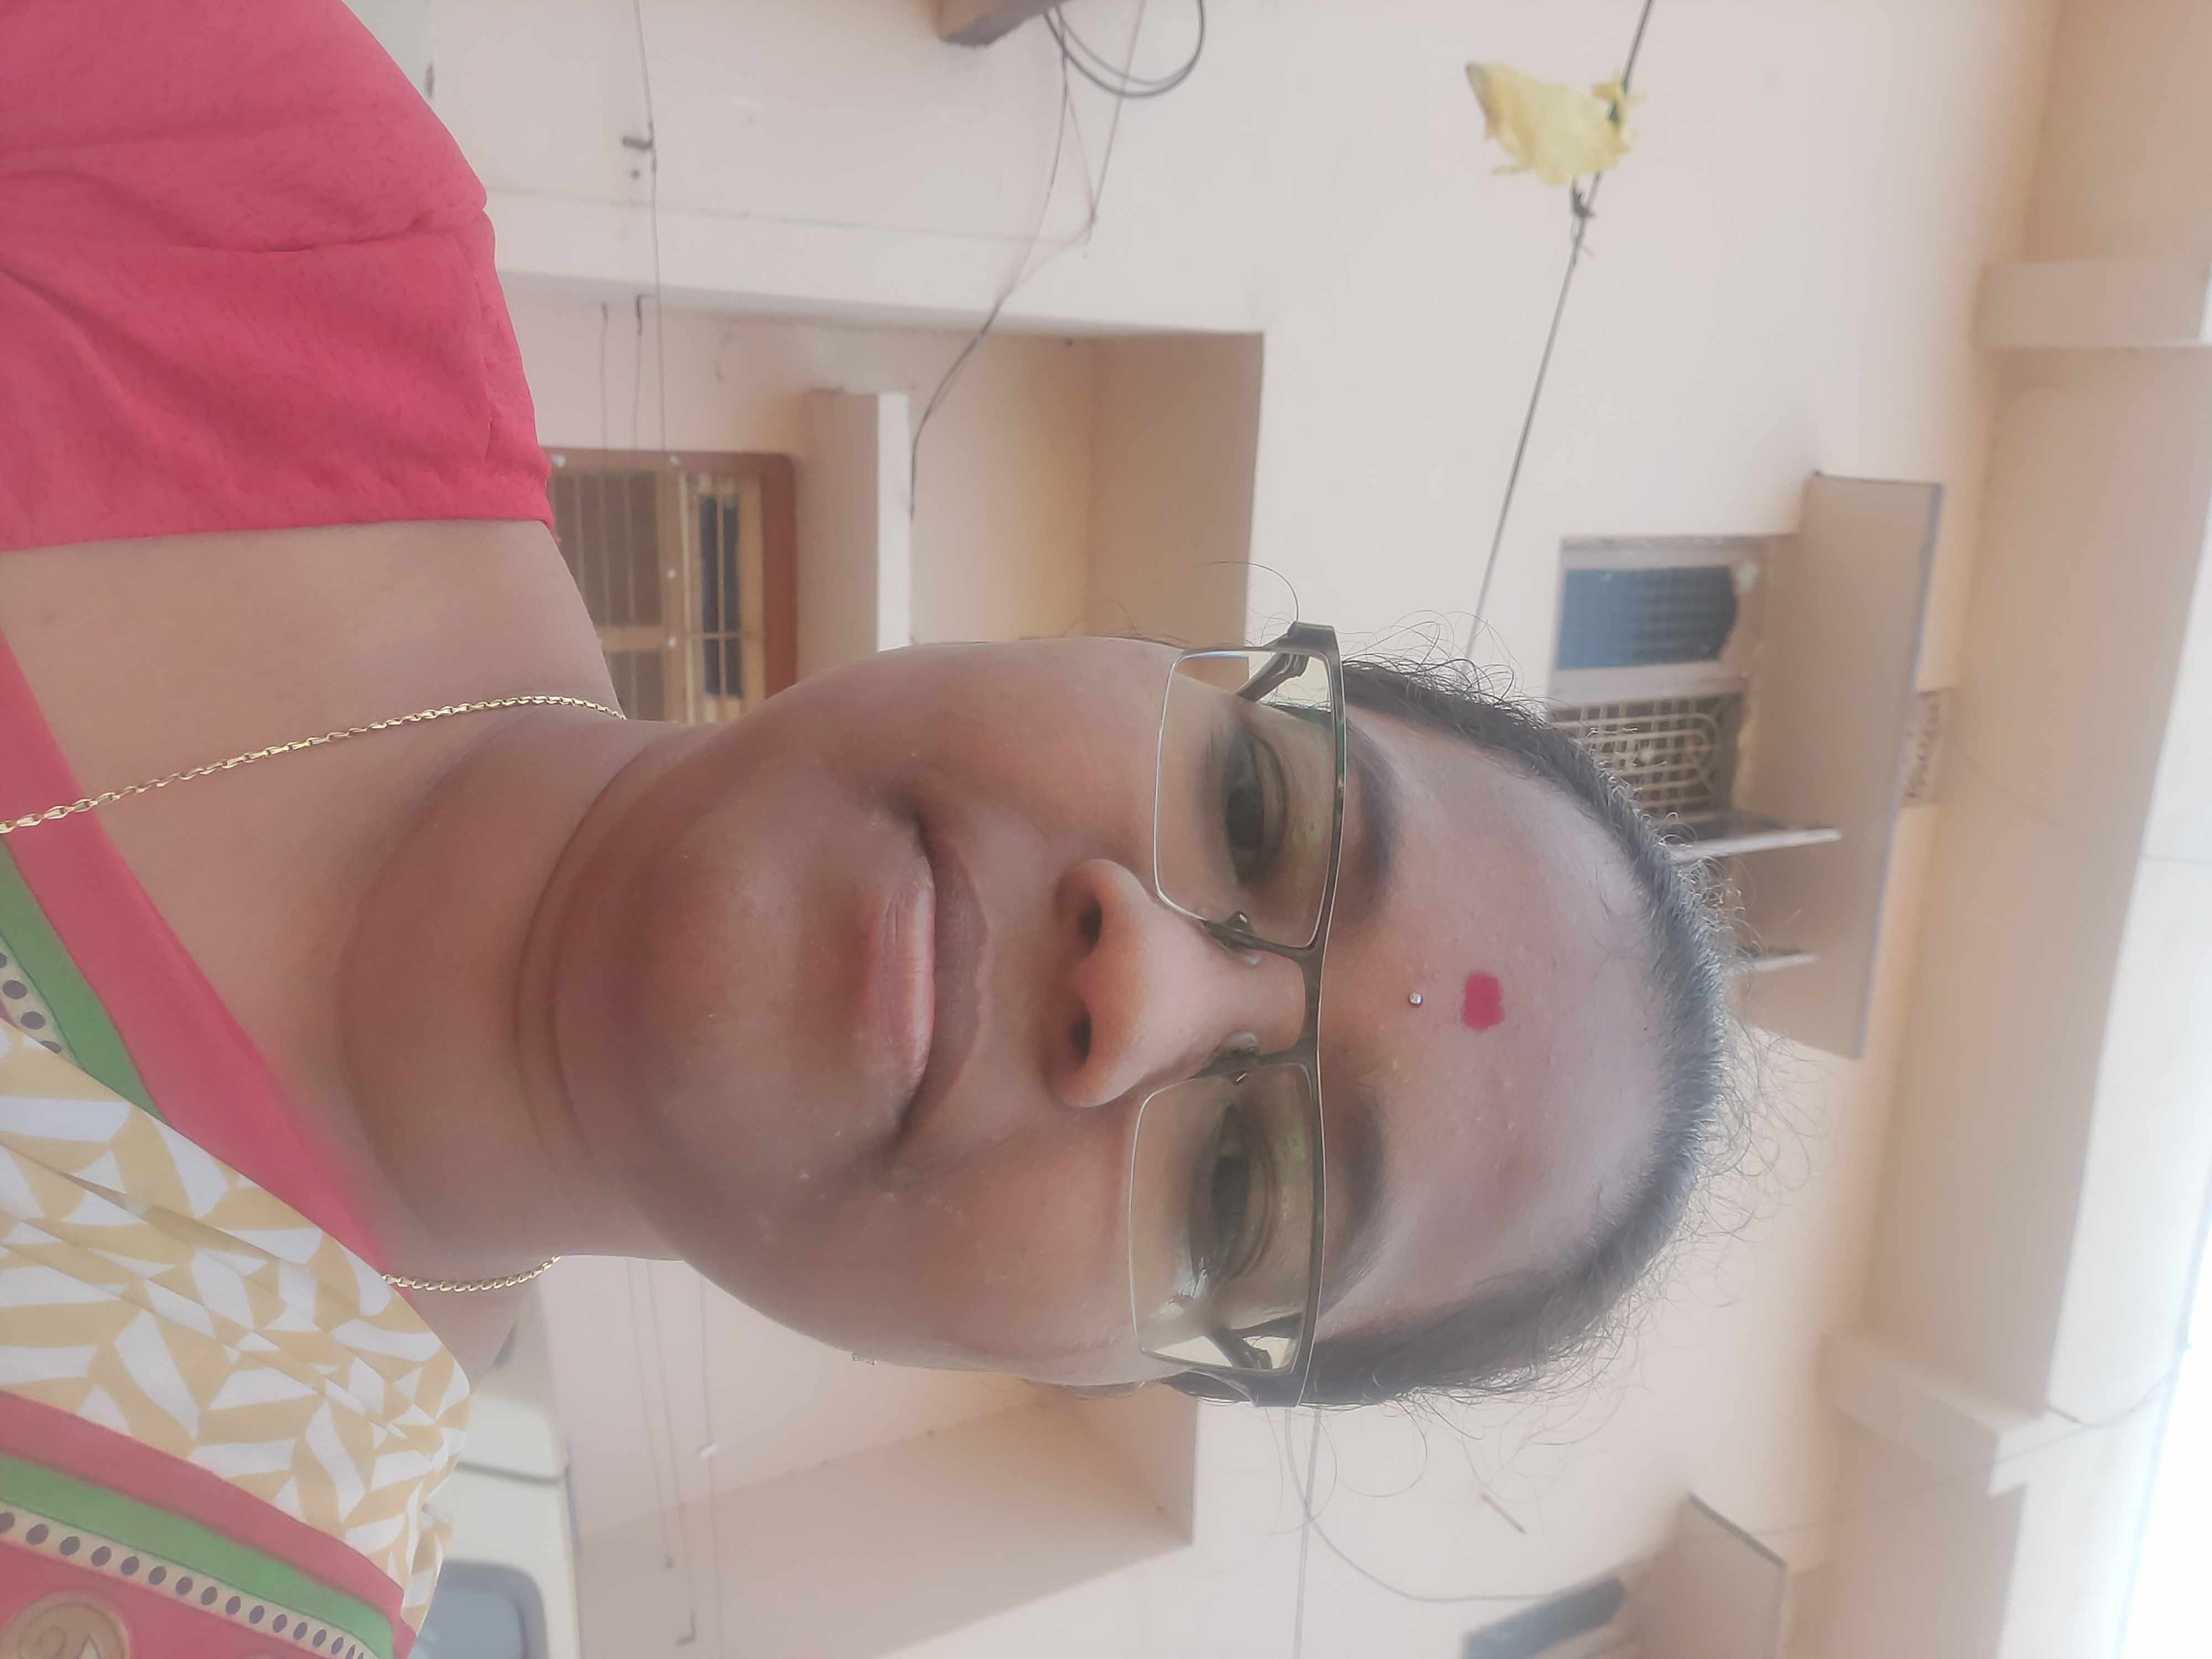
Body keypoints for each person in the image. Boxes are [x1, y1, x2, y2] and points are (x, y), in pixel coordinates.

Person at [0, 0, 1733, 1652]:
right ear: (1143, 655)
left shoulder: (190, 1600)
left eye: (1236, 1193)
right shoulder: (280, 223)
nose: (1144, 986)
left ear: (1091, 1366)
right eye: (1253, 805)